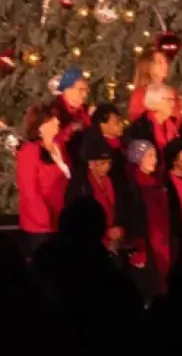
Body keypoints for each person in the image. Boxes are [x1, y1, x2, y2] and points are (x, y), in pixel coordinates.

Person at [120, 137, 172, 295]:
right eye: (149, 156)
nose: (154, 160)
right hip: (147, 245)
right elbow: (134, 218)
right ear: (138, 158)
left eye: (155, 155)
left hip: (162, 241)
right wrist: (138, 249)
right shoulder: (132, 186)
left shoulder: (156, 182)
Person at [15, 104, 71, 250]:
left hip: (61, 220)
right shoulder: (29, 153)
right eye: (52, 120)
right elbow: (30, 192)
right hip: (40, 227)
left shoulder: (58, 145)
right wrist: (46, 221)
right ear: (40, 127)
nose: (58, 122)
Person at [65, 125, 122, 249]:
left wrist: (119, 228)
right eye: (102, 163)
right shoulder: (81, 184)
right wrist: (105, 233)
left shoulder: (111, 181)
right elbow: (79, 219)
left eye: (109, 163)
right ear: (91, 164)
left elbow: (119, 209)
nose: (106, 167)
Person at [125, 78, 182, 158]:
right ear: (155, 101)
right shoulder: (140, 128)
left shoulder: (174, 126)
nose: (173, 104)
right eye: (169, 99)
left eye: (173, 100)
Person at [128, 47, 182, 124]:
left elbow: (178, 120)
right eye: (160, 62)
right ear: (148, 67)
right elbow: (137, 122)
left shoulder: (173, 92)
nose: (165, 65)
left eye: (166, 62)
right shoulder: (140, 93)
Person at [51, 66, 93, 134]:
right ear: (67, 90)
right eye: (81, 90)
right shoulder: (53, 112)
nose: (85, 95)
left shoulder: (86, 110)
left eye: (86, 90)